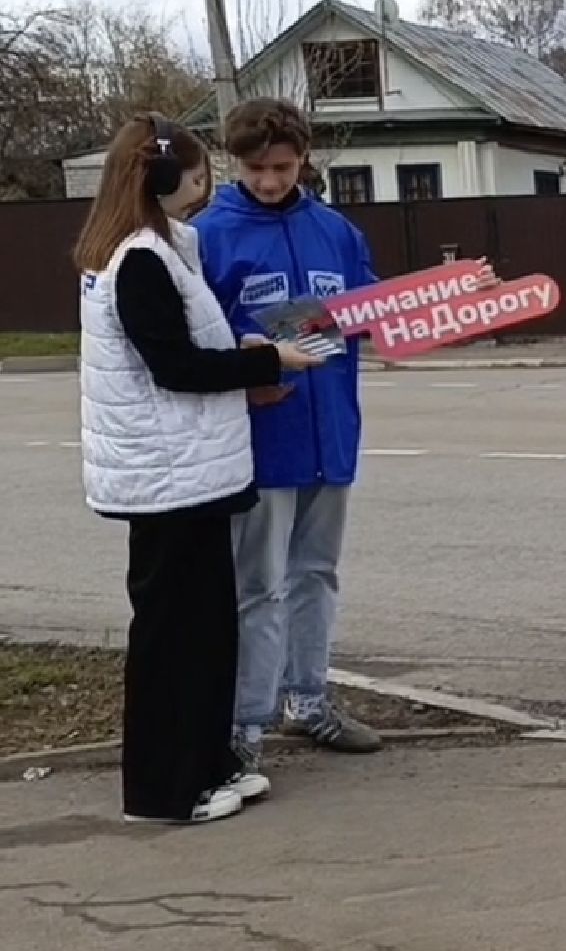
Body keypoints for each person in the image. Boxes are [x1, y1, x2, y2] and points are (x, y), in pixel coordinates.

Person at [74, 113, 322, 824]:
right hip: (165, 480)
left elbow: (191, 341)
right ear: (162, 178)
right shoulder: (139, 260)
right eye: (197, 174)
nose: (204, 186)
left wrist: (244, 347)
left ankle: (211, 765)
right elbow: (175, 366)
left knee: (209, 630)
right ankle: (165, 791)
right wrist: (266, 359)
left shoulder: (168, 247)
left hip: (195, 474)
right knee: (171, 642)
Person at [194, 98, 386, 770]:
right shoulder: (209, 235)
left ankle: (308, 698)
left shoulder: (336, 230)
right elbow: (199, 339)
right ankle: (246, 722)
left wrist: (444, 304)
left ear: (303, 158)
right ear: (233, 162)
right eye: (255, 168)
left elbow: (372, 313)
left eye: (281, 167)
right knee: (259, 586)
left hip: (330, 433)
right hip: (261, 440)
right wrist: (245, 374)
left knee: (317, 573)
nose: (270, 181)